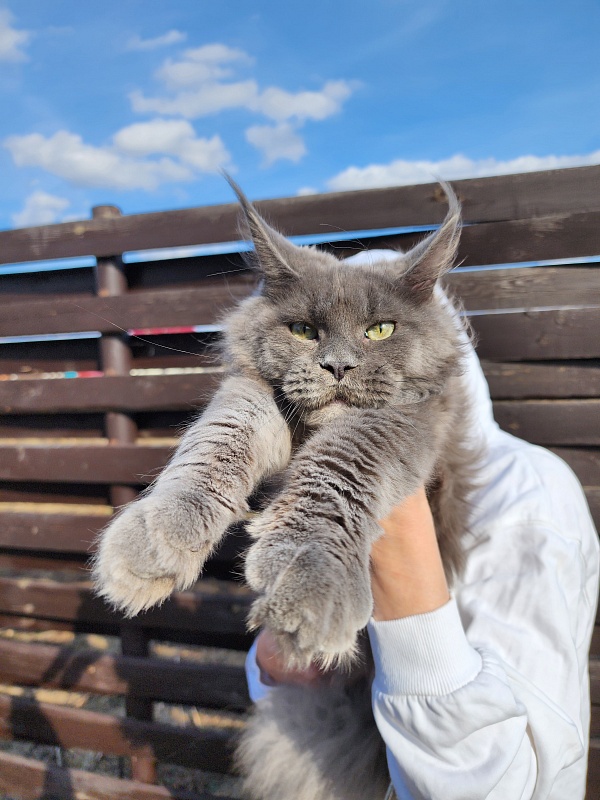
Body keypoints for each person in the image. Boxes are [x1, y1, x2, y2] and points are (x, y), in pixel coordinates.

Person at [244, 258, 600, 799]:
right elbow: (279, 666)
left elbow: (516, 788)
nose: (339, 364)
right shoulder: (303, 470)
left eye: (377, 331)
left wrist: (397, 513)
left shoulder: (532, 497)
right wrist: (271, 658)